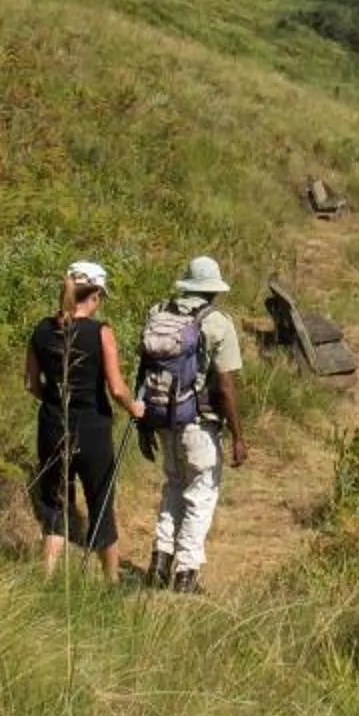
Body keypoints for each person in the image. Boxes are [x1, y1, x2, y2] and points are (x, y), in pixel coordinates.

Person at [140, 255, 249, 595]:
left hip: (161, 417)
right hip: (198, 423)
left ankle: (160, 560)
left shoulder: (159, 312)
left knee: (173, 486)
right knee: (200, 494)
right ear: (213, 291)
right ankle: (186, 573)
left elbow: (144, 371)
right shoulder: (217, 323)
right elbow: (226, 385)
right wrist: (238, 436)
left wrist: (143, 421)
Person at [26, 261, 137, 581]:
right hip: (92, 429)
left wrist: (55, 401)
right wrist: (135, 407)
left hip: (51, 425)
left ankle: (46, 578)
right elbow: (116, 388)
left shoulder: (41, 330)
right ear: (97, 295)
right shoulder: (101, 333)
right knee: (100, 500)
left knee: (54, 503)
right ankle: (111, 582)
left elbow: (31, 384)